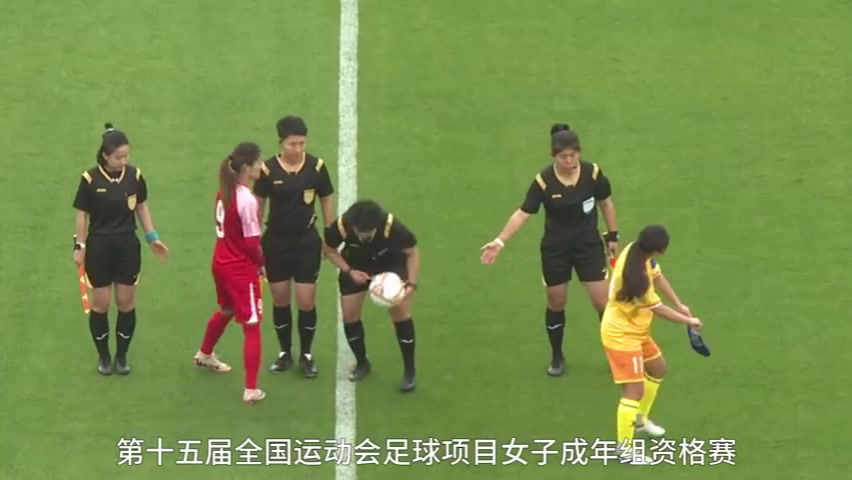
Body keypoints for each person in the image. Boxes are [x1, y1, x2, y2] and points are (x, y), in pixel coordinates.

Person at [480, 123, 620, 377]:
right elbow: (523, 213)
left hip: (588, 246)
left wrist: (612, 235)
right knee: (557, 302)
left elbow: (606, 203)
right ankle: (557, 356)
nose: (569, 161)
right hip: (556, 250)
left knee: (602, 301)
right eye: (563, 157)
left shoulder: (593, 173)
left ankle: (615, 356)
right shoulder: (544, 182)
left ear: (579, 152)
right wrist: (499, 241)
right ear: (553, 156)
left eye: (573, 155)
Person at [72, 123, 169, 376]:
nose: (123, 161)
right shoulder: (90, 179)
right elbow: (82, 214)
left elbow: (141, 207)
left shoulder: (135, 176)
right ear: (105, 155)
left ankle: (122, 356)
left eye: (126, 156)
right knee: (101, 303)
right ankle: (104, 356)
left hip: (127, 246)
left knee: (125, 301)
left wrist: (152, 237)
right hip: (100, 246)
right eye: (118, 157)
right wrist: (80, 245)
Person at [601, 225, 702, 462]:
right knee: (633, 391)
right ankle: (625, 449)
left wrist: (679, 304)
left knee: (658, 368)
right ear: (659, 250)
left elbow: (658, 275)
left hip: (637, 330)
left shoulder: (636, 252)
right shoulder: (638, 282)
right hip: (621, 335)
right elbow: (658, 309)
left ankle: (639, 421)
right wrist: (689, 321)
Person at [253, 116, 335, 377]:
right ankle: (285, 352)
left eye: (302, 143)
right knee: (280, 298)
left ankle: (306, 354)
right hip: (276, 242)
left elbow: (326, 198)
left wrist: (330, 236)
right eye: (293, 144)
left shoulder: (316, 168)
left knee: (306, 300)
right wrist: (254, 241)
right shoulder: (267, 170)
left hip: (306, 242)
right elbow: (258, 204)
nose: (298, 149)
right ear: (281, 142)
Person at [193, 142, 267, 405]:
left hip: (221, 263)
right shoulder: (246, 199)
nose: (262, 167)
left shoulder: (224, 191)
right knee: (252, 326)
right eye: (258, 163)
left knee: (226, 309)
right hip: (239, 269)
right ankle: (251, 389)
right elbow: (251, 242)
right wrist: (261, 264)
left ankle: (205, 353)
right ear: (246, 167)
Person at [322, 200, 420, 392]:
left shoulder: (391, 225)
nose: (362, 236)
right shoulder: (341, 226)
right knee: (349, 315)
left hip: (389, 263)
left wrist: (411, 283)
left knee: (400, 312)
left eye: (367, 233)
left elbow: (412, 251)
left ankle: (410, 370)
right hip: (356, 264)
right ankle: (362, 363)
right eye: (359, 232)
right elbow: (330, 250)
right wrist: (349, 271)